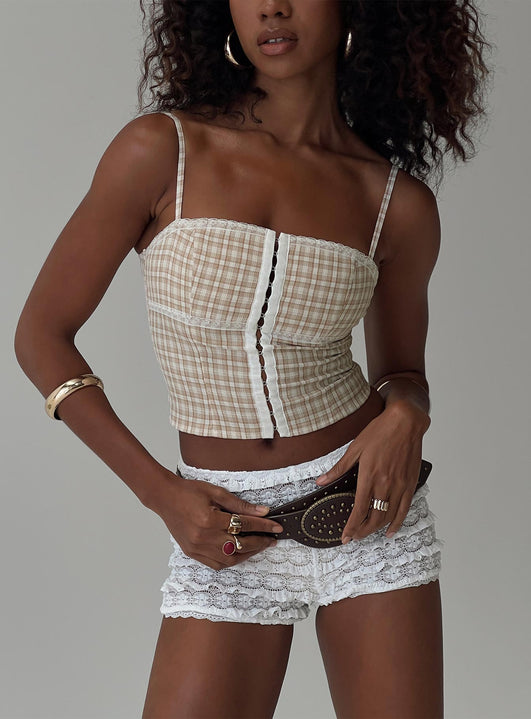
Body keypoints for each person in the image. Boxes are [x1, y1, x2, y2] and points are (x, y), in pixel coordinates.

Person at [15, 1, 491, 717]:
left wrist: (406, 414)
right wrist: (162, 494)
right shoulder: (162, 150)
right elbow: (41, 335)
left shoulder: (396, 203)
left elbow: (402, 372)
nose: (271, 5)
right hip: (220, 527)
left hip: (365, 513)